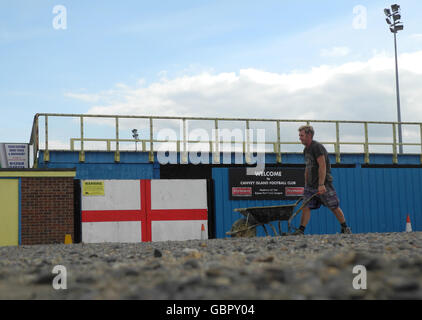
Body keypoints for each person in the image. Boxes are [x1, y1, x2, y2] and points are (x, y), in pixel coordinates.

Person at [292, 125, 352, 235]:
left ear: (309, 135)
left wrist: (321, 184)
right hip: (310, 186)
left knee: (333, 206)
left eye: (302, 135)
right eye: (299, 135)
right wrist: (306, 185)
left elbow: (322, 165)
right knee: (306, 206)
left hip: (323, 184)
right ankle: (301, 230)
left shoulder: (317, 147)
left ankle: (345, 228)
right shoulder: (306, 150)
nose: (299, 138)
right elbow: (308, 167)